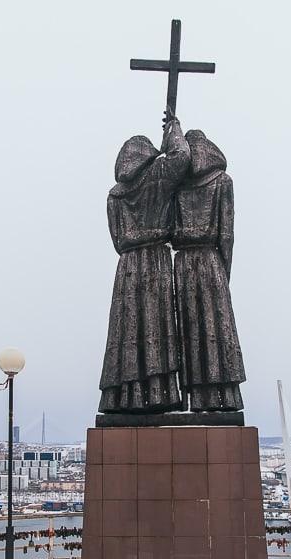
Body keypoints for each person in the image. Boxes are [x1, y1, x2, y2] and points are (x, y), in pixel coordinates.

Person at [98, 115, 189, 413]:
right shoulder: (158, 175)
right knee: (156, 325)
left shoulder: (114, 195)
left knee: (128, 328)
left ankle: (125, 397)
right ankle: (158, 393)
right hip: (155, 261)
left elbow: (116, 239)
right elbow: (182, 156)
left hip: (127, 266)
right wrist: (173, 129)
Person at [172, 130, 246, 412]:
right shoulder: (223, 182)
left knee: (190, 331)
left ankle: (196, 398)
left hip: (184, 264)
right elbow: (226, 233)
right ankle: (222, 396)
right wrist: (223, 271)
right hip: (211, 260)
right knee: (215, 327)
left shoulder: (178, 185)